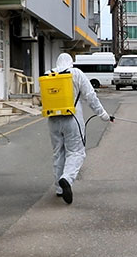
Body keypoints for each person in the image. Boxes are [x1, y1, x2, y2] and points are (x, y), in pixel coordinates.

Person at [46, 53, 112, 204]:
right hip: (72, 119)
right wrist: (103, 114)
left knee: (58, 152)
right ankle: (67, 179)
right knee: (76, 151)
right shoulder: (76, 73)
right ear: (71, 63)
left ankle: (59, 188)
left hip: (53, 120)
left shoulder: (49, 74)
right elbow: (90, 96)